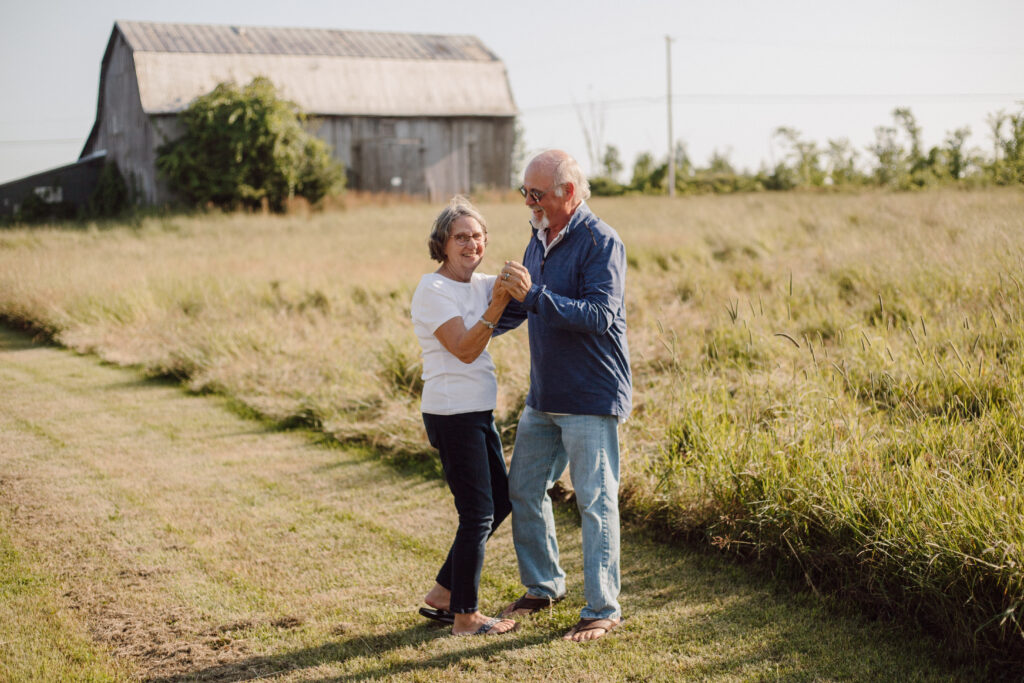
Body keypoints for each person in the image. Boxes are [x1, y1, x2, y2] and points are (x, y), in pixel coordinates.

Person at [494, 150, 631, 642]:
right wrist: (473, 328)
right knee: (524, 489)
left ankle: (602, 609)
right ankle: (544, 587)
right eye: (524, 192)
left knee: (595, 502)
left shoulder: (601, 241)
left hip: (591, 395)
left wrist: (533, 295)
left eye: (537, 194)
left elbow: (599, 314)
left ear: (568, 192)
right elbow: (523, 307)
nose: (528, 202)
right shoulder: (538, 236)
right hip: (544, 396)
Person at [410, 196, 517, 636]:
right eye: (461, 237)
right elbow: (465, 349)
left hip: (477, 410)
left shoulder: (482, 284)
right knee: (476, 513)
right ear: (442, 243)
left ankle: (443, 593)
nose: (471, 244)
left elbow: (525, 292)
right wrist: (498, 304)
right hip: (452, 411)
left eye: (478, 236)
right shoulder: (433, 290)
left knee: (501, 500)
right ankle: (466, 617)